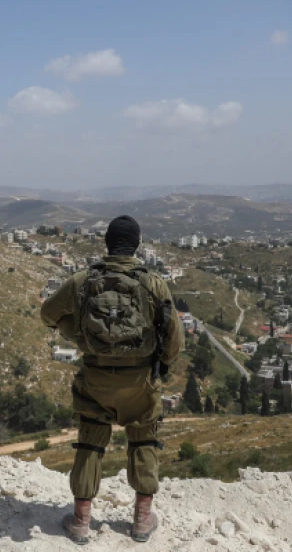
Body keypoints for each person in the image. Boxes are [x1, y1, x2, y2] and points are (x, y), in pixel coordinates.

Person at [40, 216, 183, 544]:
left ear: (106, 243)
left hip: (96, 378)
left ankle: (80, 521)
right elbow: (175, 341)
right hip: (140, 381)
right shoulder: (154, 284)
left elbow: (48, 314)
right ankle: (142, 522)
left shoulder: (82, 281)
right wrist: (159, 363)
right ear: (136, 244)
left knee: (90, 443)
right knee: (144, 441)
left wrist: (77, 334)